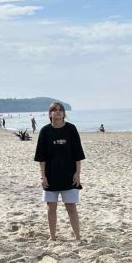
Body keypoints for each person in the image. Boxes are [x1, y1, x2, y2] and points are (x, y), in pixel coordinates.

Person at [34, 102, 84, 242]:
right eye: (54, 110)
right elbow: (41, 157)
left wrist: (78, 173)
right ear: (50, 114)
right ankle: (52, 237)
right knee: (51, 207)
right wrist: (43, 176)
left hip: (69, 175)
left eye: (60, 110)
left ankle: (78, 237)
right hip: (50, 176)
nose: (58, 112)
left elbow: (78, 154)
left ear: (64, 113)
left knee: (71, 207)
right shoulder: (45, 131)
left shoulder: (71, 129)